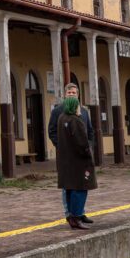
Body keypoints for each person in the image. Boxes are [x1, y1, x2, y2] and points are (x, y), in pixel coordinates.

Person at [48, 83, 95, 224]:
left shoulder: (84, 112)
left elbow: (90, 131)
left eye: (74, 93)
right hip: (67, 156)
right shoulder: (58, 111)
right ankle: (70, 214)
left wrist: (89, 147)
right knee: (68, 185)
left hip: (82, 153)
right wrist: (62, 146)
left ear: (78, 94)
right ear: (65, 94)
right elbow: (52, 131)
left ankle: (80, 213)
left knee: (81, 184)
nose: (72, 95)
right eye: (69, 93)